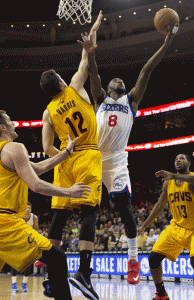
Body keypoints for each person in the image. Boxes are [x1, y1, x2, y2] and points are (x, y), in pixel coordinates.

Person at [78, 24, 179, 285]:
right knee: (87, 210)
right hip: (94, 160)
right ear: (108, 87)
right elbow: (95, 72)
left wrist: (167, 43)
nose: (119, 80)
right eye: (116, 80)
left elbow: (146, 69)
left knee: (124, 209)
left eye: (121, 80)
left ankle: (133, 259)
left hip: (118, 164)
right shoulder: (100, 98)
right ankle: (83, 269)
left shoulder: (131, 102)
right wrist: (90, 52)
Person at [40, 11, 103, 300]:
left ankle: (51, 278)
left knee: (58, 217)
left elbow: (46, 149)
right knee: (88, 212)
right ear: (62, 83)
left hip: (65, 161)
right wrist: (91, 37)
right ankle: (84, 273)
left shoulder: (48, 112)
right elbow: (85, 63)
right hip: (88, 153)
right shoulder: (75, 87)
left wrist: (64, 155)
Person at [0, 110, 91, 300]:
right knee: (57, 259)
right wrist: (69, 192)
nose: (14, 124)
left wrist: (66, 153)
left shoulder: (6, 153)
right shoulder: (14, 148)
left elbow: (40, 168)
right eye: (10, 121)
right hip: (5, 221)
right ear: (2, 128)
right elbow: (35, 184)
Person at [138, 153, 194, 300]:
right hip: (177, 228)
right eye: (176, 159)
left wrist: (174, 176)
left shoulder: (191, 178)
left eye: (181, 158)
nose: (178, 161)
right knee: (153, 258)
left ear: (189, 163)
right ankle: (161, 294)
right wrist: (144, 226)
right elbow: (159, 205)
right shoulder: (169, 182)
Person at [11, 202, 39, 292]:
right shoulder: (17, 217)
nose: (28, 209)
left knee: (27, 264)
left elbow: (36, 231)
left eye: (29, 208)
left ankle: (24, 284)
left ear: (31, 209)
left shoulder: (34, 218)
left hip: (28, 243)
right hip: (18, 242)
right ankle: (14, 284)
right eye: (26, 208)